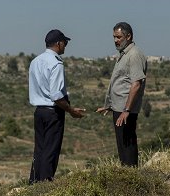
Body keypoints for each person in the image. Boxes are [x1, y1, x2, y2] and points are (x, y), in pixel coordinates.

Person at [28, 29, 85, 184]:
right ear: (59, 43)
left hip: (39, 111)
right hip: (53, 112)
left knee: (39, 149)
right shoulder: (56, 63)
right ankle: (45, 186)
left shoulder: (35, 61)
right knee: (50, 151)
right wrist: (71, 111)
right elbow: (56, 95)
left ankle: (34, 183)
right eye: (64, 43)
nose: (65, 46)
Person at [96, 22, 147, 166]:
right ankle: (126, 179)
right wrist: (110, 106)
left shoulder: (134, 55)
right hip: (120, 109)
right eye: (114, 37)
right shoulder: (124, 54)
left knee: (128, 147)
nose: (115, 40)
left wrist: (127, 110)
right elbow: (121, 83)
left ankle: (131, 180)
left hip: (126, 111)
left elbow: (136, 84)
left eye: (118, 37)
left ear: (128, 36)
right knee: (122, 147)